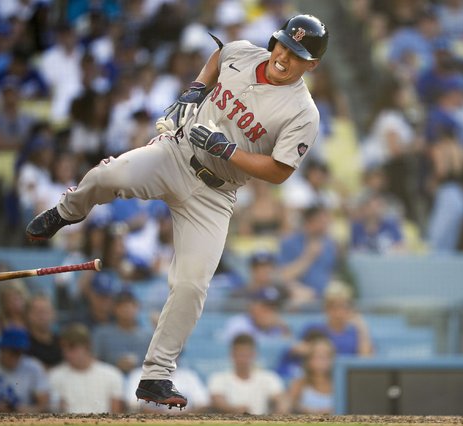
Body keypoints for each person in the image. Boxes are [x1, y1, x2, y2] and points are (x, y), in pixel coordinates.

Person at [26, 14, 329, 409]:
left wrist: (229, 151)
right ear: (276, 41)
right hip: (176, 151)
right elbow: (219, 58)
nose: (284, 57)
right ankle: (67, 211)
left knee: (192, 284)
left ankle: (155, 375)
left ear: (312, 64)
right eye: (284, 46)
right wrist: (196, 88)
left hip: (215, 194)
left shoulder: (303, 112)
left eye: (297, 54)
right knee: (109, 174)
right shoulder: (242, 52)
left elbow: (279, 170)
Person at [48, 322, 124, 413]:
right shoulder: (55, 376)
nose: (67, 353)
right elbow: (54, 413)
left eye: (72, 347)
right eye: (64, 348)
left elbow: (116, 413)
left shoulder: (112, 374)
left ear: (87, 346)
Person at [0, 327, 51, 413]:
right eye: (12, 351)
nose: (16, 356)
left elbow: (45, 405)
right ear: (2, 349)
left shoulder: (33, 367)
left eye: (19, 352)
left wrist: (26, 410)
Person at [207, 333, 288, 415]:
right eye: (240, 355)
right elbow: (217, 400)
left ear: (254, 355)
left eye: (246, 355)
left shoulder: (269, 377)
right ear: (232, 355)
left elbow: (280, 398)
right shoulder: (219, 378)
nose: (243, 359)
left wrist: (280, 408)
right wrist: (234, 410)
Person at [286, 333, 335, 414]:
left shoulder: (339, 383)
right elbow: (288, 405)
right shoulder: (299, 383)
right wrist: (304, 410)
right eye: (317, 356)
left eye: (326, 357)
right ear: (309, 360)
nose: (321, 361)